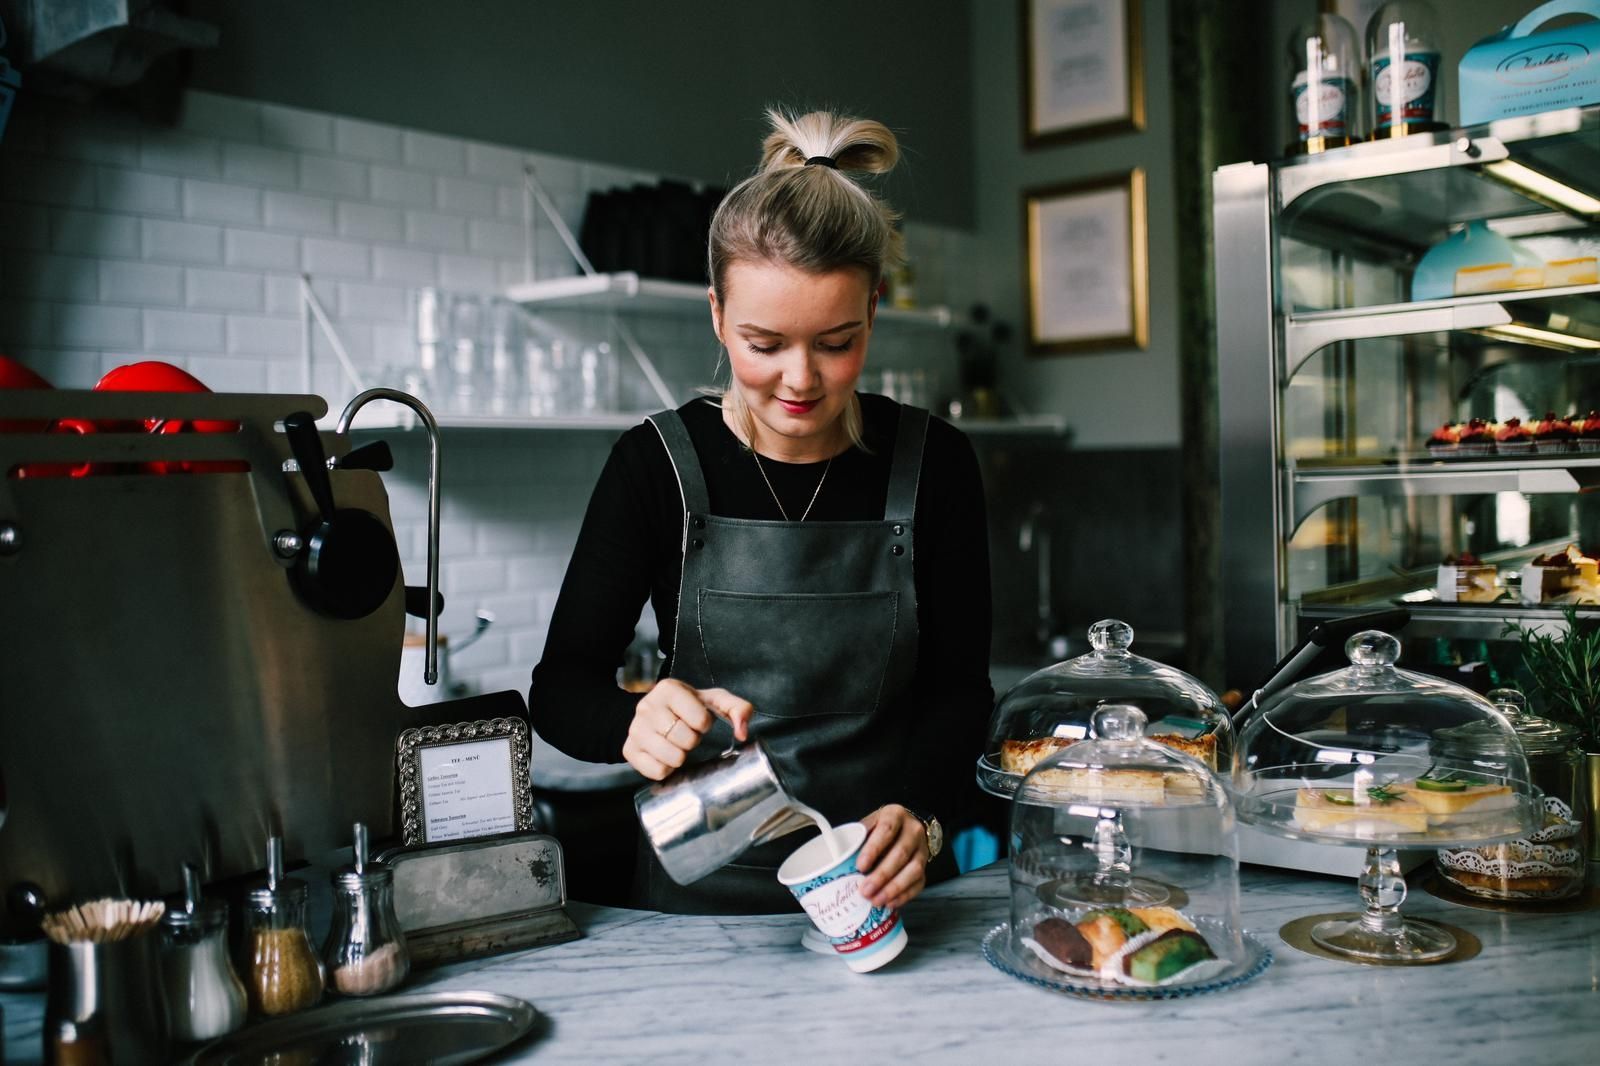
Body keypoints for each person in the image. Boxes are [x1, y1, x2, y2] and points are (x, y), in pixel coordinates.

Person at [529, 109, 993, 915]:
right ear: (717, 316)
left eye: (836, 342)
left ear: (874, 313)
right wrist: (632, 722)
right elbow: (561, 690)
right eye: (764, 342)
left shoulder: (936, 465)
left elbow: (959, 690)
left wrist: (920, 816)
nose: (801, 380)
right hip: (698, 908)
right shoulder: (655, 467)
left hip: (880, 896)